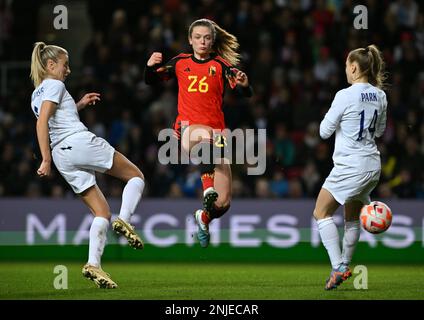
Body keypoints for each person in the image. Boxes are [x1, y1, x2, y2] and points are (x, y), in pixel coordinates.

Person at [30, 42, 145, 289]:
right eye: (65, 64)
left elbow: (53, 119)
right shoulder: (55, 84)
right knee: (136, 176)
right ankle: (124, 220)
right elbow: (42, 123)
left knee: (101, 213)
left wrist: (78, 105)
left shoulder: (37, 93)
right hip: (77, 143)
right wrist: (44, 158)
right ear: (51, 65)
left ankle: (93, 263)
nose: (68, 70)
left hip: (64, 156)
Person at [145, 19, 252, 248]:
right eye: (198, 37)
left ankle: (204, 217)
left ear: (212, 41)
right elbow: (151, 80)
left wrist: (244, 84)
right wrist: (149, 66)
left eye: (206, 38)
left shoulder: (221, 65)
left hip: (218, 133)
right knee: (204, 139)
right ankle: (207, 189)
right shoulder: (180, 63)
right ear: (190, 40)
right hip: (188, 128)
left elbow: (246, 93)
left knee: (223, 203)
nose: (202, 41)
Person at [313, 44, 387, 290]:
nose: (346, 69)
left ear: (354, 67)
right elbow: (379, 131)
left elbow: (324, 132)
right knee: (351, 217)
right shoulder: (380, 95)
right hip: (372, 165)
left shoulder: (345, 95)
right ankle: (343, 263)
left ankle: (339, 267)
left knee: (321, 213)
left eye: (347, 65)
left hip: (350, 165)